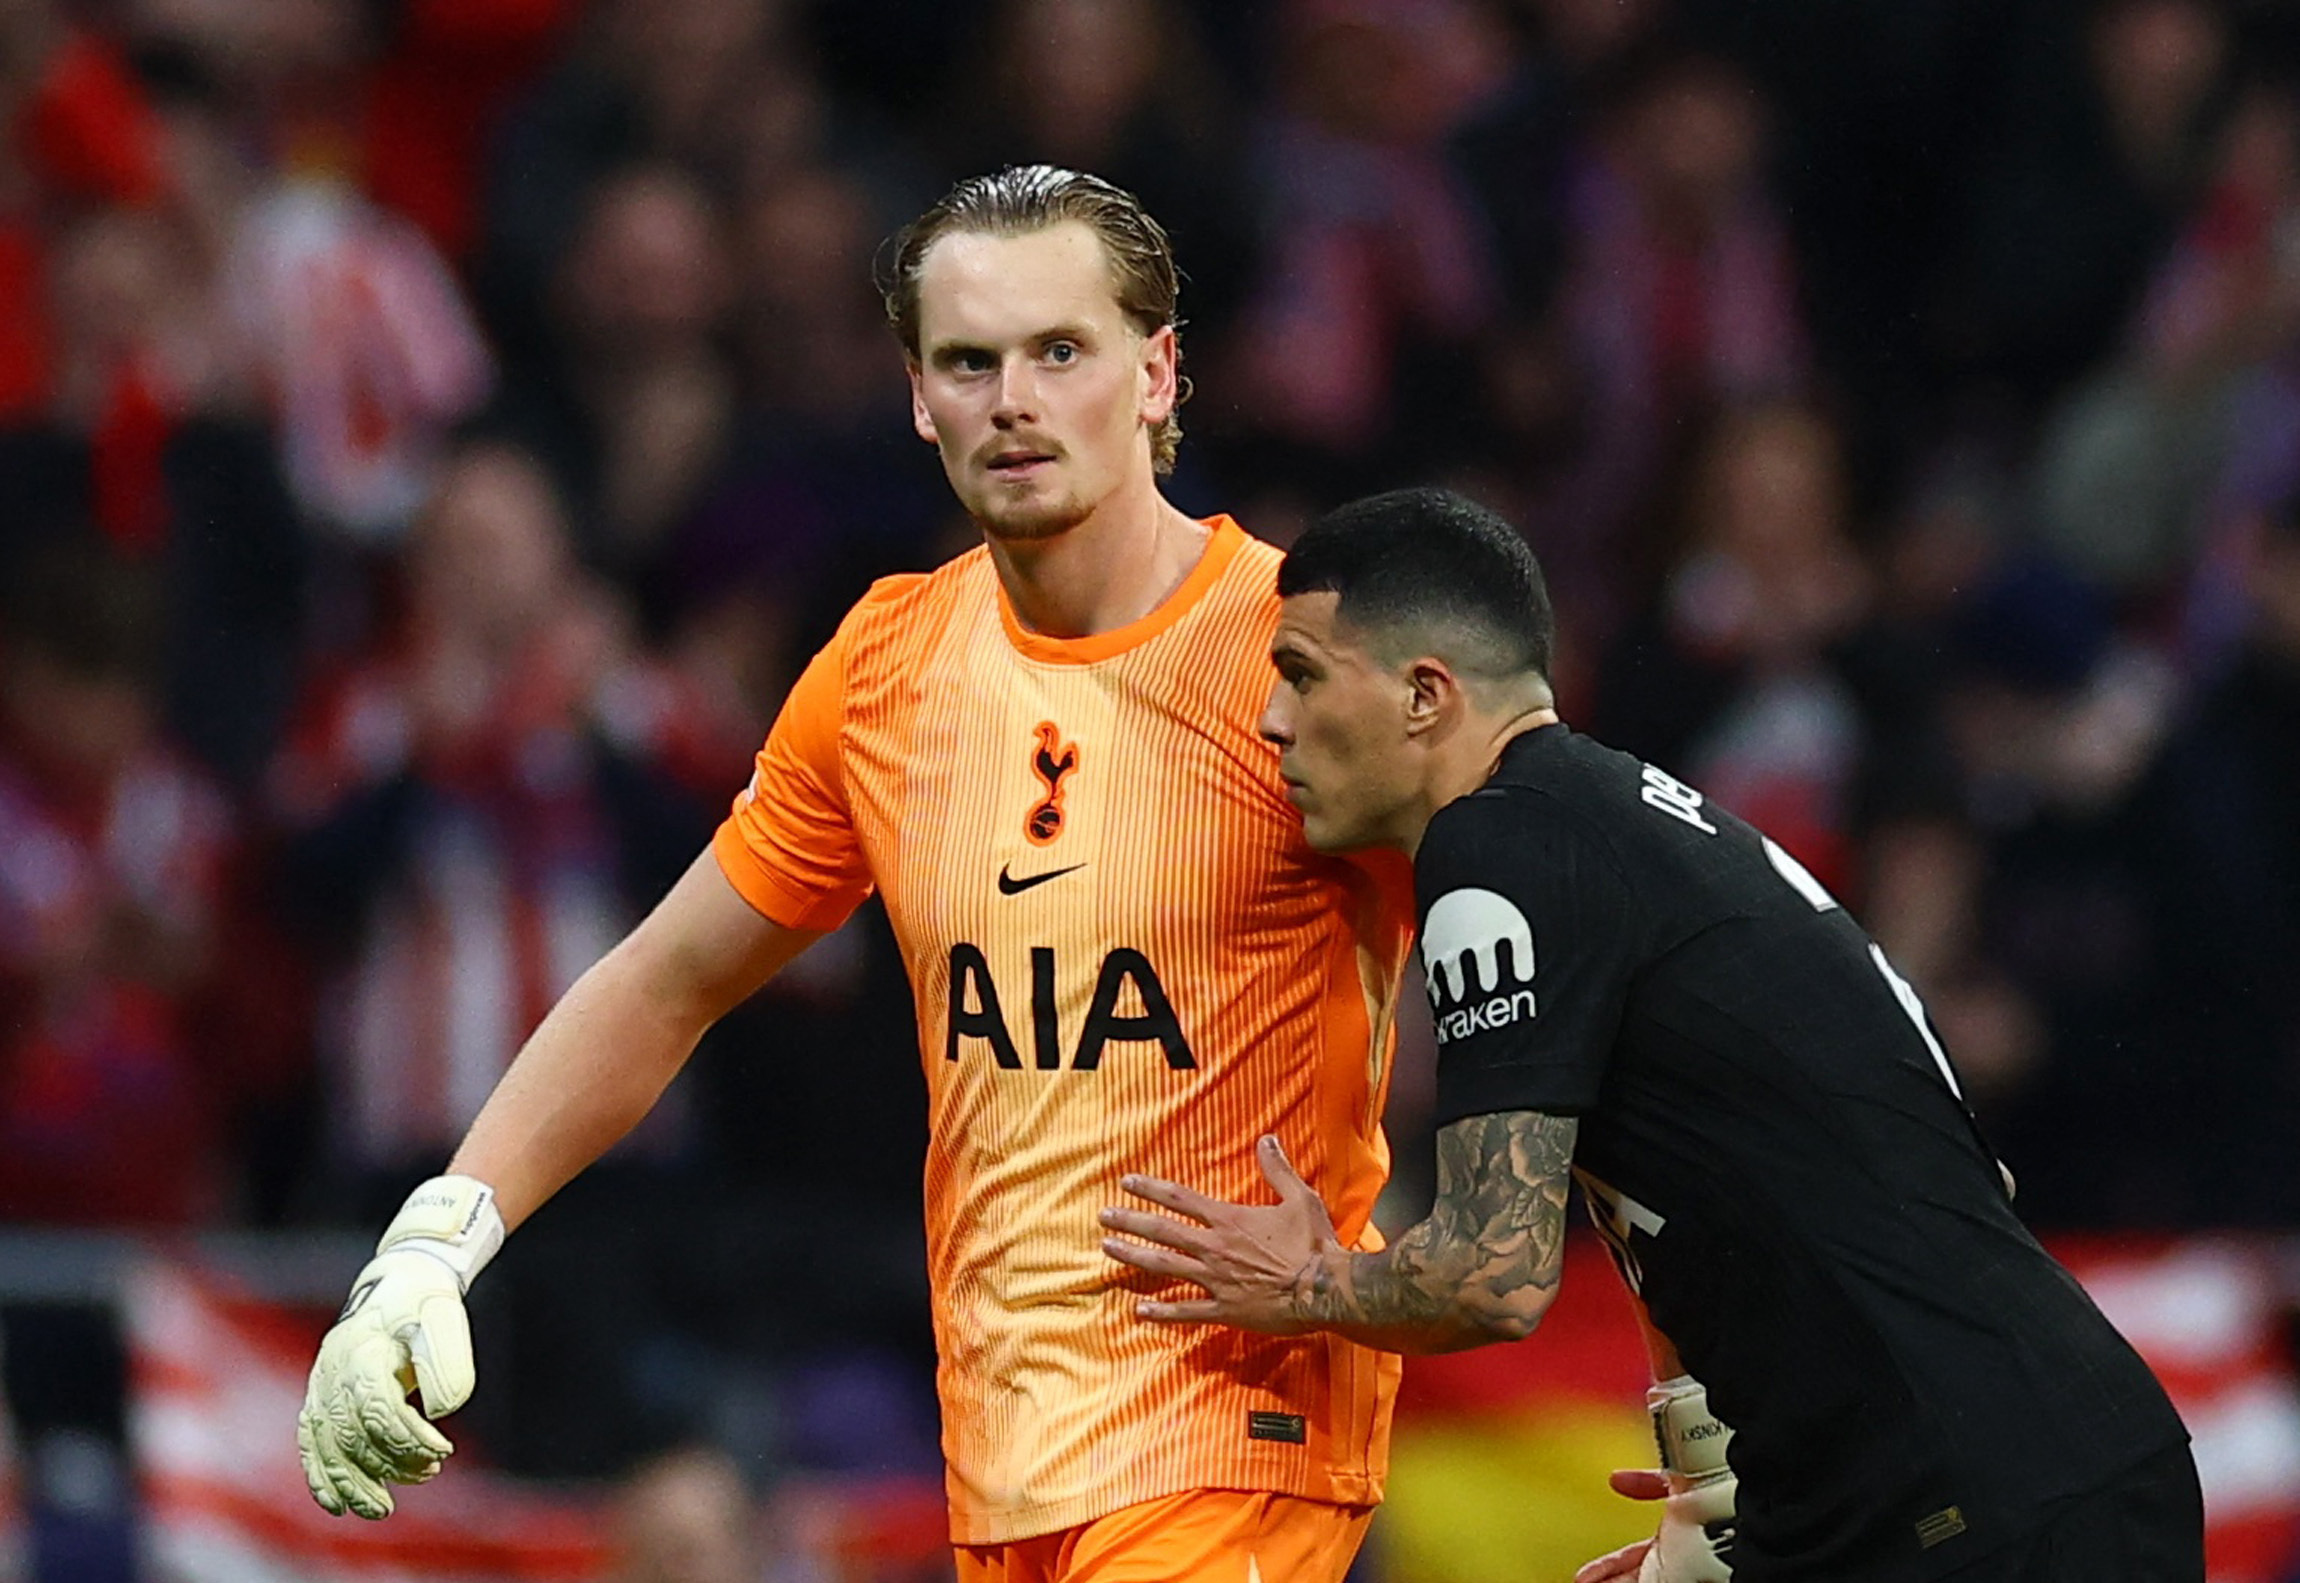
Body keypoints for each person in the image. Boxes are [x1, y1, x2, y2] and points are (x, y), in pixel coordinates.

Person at [296, 165, 1418, 1582]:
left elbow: (1585, 947)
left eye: (1060, 351)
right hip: (1007, 1462)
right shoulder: (890, 669)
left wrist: (1683, 1403)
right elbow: (665, 978)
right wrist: (434, 1246)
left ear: (1158, 373)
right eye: (969, 360)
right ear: (919, 398)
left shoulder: (1307, 655)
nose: (1012, 397)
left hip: (1236, 1445)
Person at [1098, 487, 2203, 1581]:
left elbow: (1490, 1275)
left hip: (1971, 1507)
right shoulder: (1624, 820)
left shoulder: (1497, 849)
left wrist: (1306, 1280)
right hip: (1999, 1474)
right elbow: (1899, 1178)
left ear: (1424, 695)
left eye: (1298, 674)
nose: (1271, 720)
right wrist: (1712, 1497)